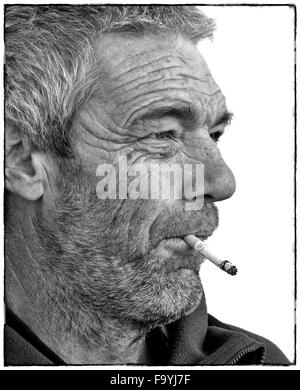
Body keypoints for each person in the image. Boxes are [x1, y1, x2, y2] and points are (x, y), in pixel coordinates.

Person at [4, 5, 290, 365]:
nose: (221, 182)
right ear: (22, 161)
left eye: (214, 135)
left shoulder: (259, 362)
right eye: (162, 135)